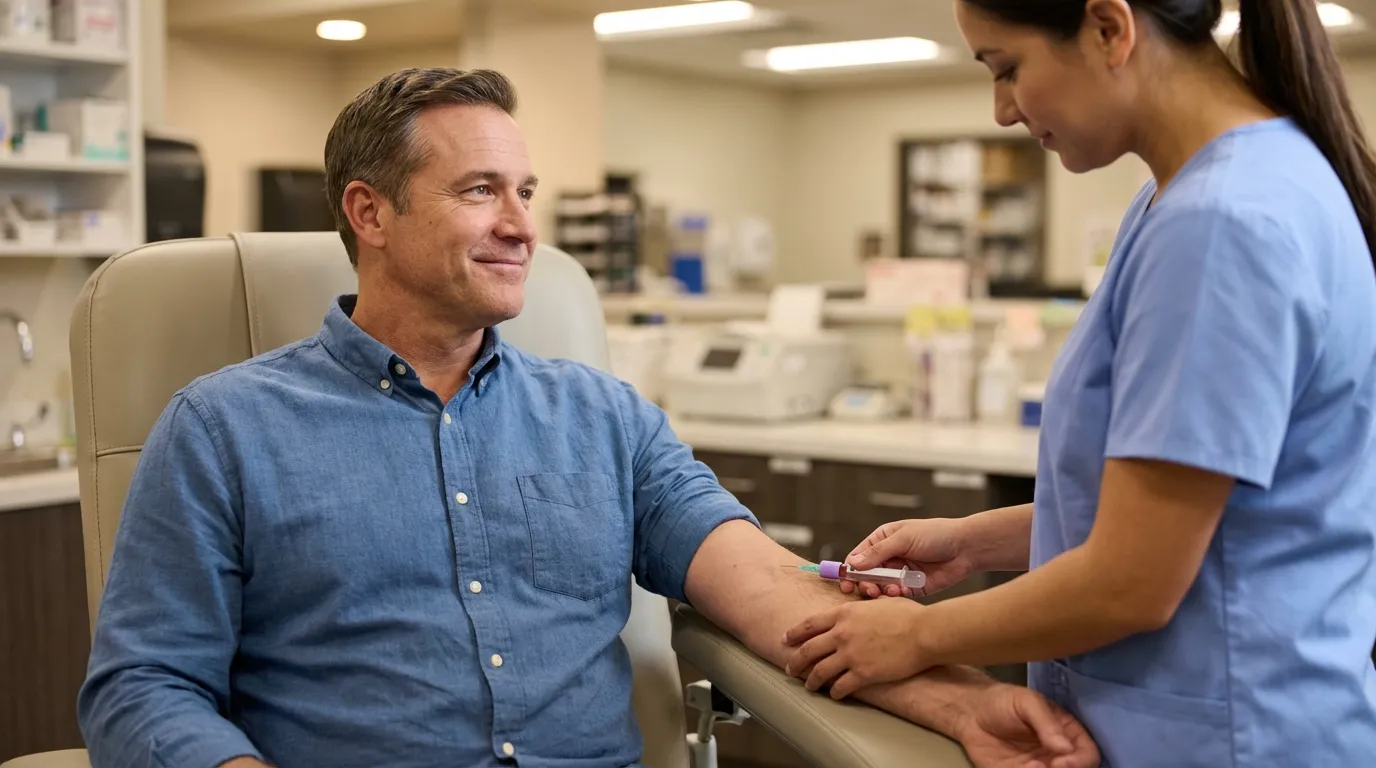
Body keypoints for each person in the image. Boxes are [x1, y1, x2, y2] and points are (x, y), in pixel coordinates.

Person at [75, 68, 1100, 768]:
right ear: (369, 213)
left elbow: (772, 594)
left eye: (524, 190)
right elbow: (142, 686)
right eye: (480, 191)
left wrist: (963, 703)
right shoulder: (223, 431)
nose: (523, 226)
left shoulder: (603, 420)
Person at [780, 0, 1376, 766]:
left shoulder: (1220, 224)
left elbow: (1133, 581)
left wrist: (914, 636)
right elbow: (1191, 509)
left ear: (1108, 28)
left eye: (1008, 69)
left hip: (1231, 735)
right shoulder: (1196, 194)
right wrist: (975, 543)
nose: (1001, 111)